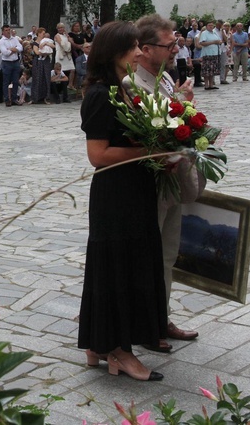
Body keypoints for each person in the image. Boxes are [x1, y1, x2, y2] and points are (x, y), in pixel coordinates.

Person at [78, 20, 166, 382]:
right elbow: (97, 155)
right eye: (132, 47)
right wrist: (149, 150)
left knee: (131, 265)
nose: (139, 52)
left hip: (136, 190)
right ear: (113, 52)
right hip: (115, 196)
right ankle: (119, 351)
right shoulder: (100, 95)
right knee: (117, 268)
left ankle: (102, 345)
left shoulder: (126, 88)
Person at [121, 14, 201, 353]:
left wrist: (183, 103)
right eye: (169, 45)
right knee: (146, 257)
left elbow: (174, 114)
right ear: (147, 47)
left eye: (175, 44)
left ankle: (162, 317)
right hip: (151, 180)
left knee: (167, 255)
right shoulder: (131, 84)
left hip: (175, 177)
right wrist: (180, 107)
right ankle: (144, 324)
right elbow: (150, 126)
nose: (174, 50)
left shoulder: (165, 77)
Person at [0, 24, 22, 106]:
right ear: (3, 32)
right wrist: (14, 50)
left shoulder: (14, 39)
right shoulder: (2, 41)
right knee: (6, 82)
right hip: (7, 63)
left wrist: (11, 49)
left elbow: (20, 48)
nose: (8, 32)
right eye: (6, 30)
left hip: (15, 62)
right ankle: (7, 99)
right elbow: (5, 53)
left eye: (9, 30)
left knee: (15, 81)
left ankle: (14, 98)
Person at [198, 21, 222, 90]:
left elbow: (219, 40)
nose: (211, 27)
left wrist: (219, 42)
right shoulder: (204, 33)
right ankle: (206, 85)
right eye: (209, 25)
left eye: (212, 25)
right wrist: (213, 42)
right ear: (206, 26)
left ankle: (211, 84)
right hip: (207, 54)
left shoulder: (214, 32)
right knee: (207, 70)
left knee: (212, 70)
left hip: (215, 53)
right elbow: (202, 43)